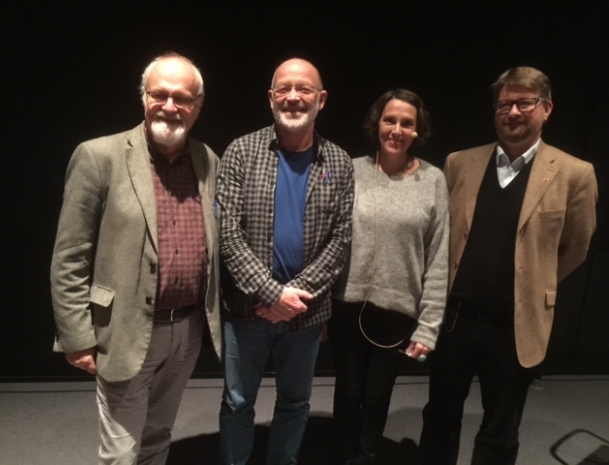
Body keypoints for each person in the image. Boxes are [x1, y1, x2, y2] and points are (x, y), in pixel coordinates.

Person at [419, 66, 598, 465]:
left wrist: (533, 283)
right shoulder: (459, 163)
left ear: (546, 108)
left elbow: (576, 247)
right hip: (456, 322)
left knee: (500, 429)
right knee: (440, 417)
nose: (513, 111)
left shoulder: (575, 174)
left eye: (524, 103)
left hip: (516, 327)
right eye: (505, 103)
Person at [50, 53, 221, 464]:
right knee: (121, 451)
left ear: (197, 108)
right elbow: (70, 256)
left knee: (158, 434)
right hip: (124, 328)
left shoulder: (207, 160)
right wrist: (76, 335)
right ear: (143, 97)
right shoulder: (99, 157)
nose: (169, 106)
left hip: (188, 330)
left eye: (182, 98)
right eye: (159, 94)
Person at [216, 58, 354, 465]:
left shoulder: (340, 162)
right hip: (247, 311)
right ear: (271, 97)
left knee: (296, 404)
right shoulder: (241, 151)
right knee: (238, 403)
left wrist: (292, 300)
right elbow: (228, 235)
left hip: (305, 317)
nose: (294, 96)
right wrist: (272, 293)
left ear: (321, 99)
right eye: (284, 88)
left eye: (304, 88)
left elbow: (340, 240)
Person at [329, 89, 449, 464]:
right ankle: (341, 455)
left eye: (407, 123)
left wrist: (429, 325)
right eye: (390, 120)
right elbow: (328, 240)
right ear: (376, 124)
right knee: (348, 391)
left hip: (397, 312)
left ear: (417, 131)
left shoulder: (433, 180)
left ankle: (364, 456)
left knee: (378, 396)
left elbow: (439, 256)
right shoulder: (351, 169)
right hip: (346, 307)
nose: (397, 129)